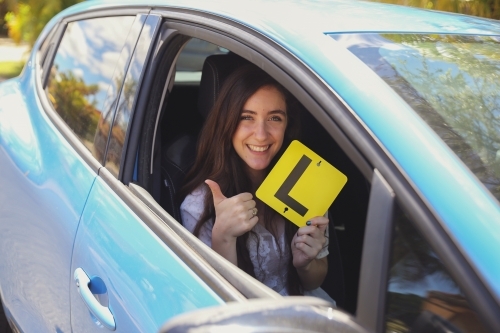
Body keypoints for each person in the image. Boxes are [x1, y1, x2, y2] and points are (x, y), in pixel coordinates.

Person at [179, 63, 330, 298]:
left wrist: (306, 264)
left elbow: (313, 282)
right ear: (227, 124)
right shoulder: (201, 204)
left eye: (275, 118)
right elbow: (215, 302)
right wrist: (223, 239)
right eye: (246, 117)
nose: (261, 134)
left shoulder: (306, 181)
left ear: (287, 125)